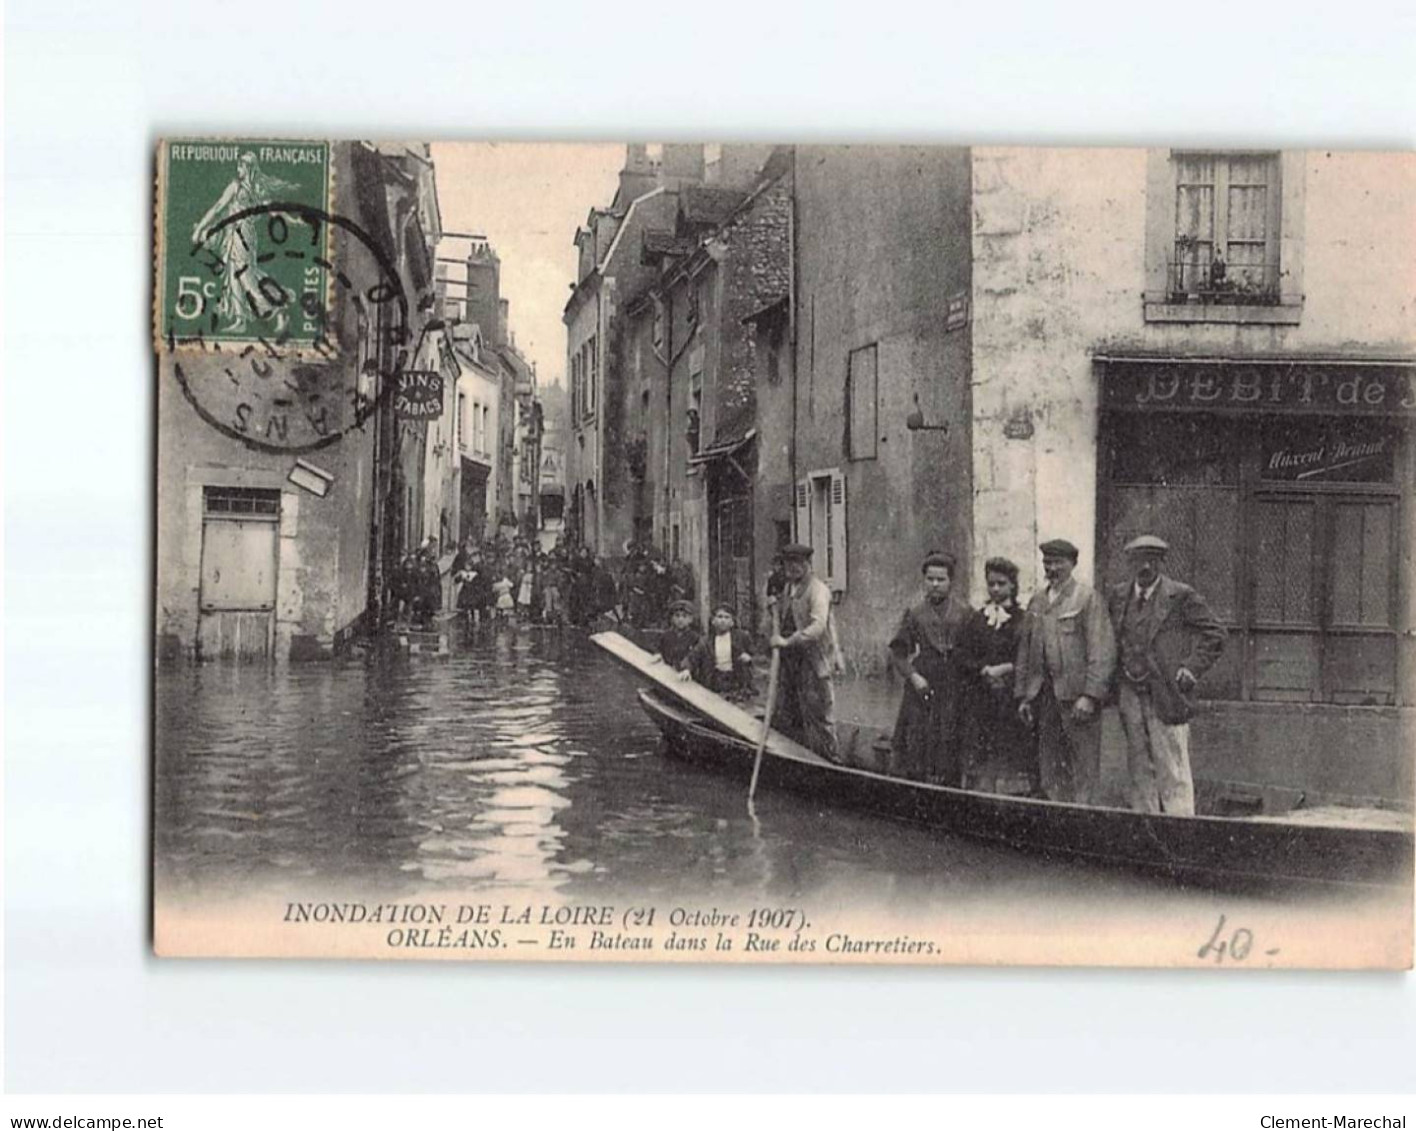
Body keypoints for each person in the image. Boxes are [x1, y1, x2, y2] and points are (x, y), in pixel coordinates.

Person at [1106, 534, 1226, 816]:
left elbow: (1216, 633)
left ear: (1161, 562)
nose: (1145, 566)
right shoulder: (1119, 595)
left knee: (1171, 765)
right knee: (1138, 764)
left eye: (1152, 560)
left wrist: (1191, 668)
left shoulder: (1180, 596)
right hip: (1129, 690)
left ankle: (1181, 827)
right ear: (1129, 562)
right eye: (1138, 560)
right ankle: (1145, 824)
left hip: (1166, 693)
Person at [1014, 538, 1116, 805]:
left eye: (1058, 562)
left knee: (1083, 764)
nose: (1052, 568)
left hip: (1076, 697)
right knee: (1050, 763)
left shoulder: (1087, 598)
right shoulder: (1037, 601)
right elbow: (1025, 650)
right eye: (1047, 563)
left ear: (1072, 564)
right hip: (1044, 695)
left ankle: (1083, 818)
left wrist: (1091, 695)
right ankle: (1057, 814)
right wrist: (1024, 696)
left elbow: (1102, 650)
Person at [886, 551, 972, 784]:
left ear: (951, 582)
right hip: (924, 680)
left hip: (954, 683)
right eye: (930, 579)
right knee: (918, 738)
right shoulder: (914, 614)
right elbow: (898, 653)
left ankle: (951, 787)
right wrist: (914, 677)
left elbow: (974, 651)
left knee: (951, 736)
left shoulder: (965, 613)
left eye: (941, 579)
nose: (935, 584)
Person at [957, 556, 1036, 794]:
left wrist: (1007, 669)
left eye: (1001, 583)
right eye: (991, 584)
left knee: (1010, 750)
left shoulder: (1024, 620)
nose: (995, 589)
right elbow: (962, 654)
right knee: (981, 751)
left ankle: (1011, 797)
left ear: (1013, 585)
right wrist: (983, 669)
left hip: (1010, 698)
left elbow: (1031, 657)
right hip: (981, 698)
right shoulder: (976, 619)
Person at [769, 544, 839, 762]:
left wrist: (787, 641)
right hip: (790, 662)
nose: (792, 568)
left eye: (797, 564)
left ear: (808, 564)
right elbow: (783, 618)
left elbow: (817, 628)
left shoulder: (818, 591)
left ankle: (829, 760)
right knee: (787, 710)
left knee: (818, 712)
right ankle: (795, 758)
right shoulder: (788, 588)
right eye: (788, 564)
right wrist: (772, 606)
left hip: (813, 660)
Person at [681, 604, 756, 701]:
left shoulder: (741, 637)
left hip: (735, 679)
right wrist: (686, 669)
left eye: (727, 617)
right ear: (713, 621)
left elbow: (754, 655)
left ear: (732, 622)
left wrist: (749, 658)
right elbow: (693, 656)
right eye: (720, 617)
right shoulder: (706, 641)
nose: (723, 620)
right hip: (715, 679)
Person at [650, 600, 700, 670]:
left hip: (684, 675)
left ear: (690, 619)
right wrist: (658, 655)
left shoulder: (694, 638)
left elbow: (696, 657)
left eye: (684, 616)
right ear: (672, 618)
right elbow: (656, 648)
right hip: (666, 671)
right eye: (677, 616)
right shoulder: (665, 636)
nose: (680, 619)